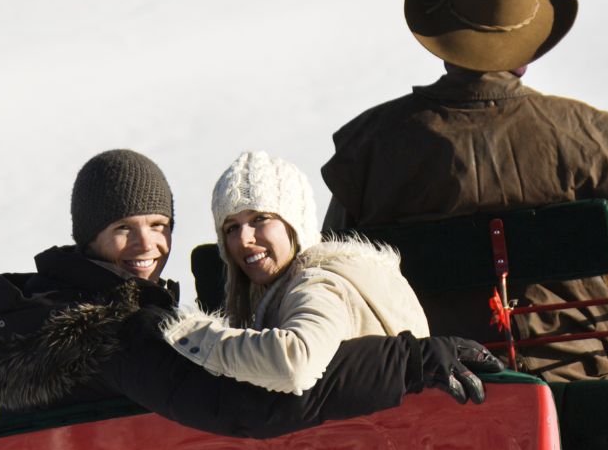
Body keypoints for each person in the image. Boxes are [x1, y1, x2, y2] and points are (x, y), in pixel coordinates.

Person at [320, 0, 608, 380]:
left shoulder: (371, 146)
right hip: (572, 373)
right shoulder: (588, 136)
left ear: (445, 42)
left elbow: (334, 258)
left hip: (429, 377)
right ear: (527, 51)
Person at [0, 149, 496, 432]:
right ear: (89, 239)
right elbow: (247, 404)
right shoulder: (111, 328)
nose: (147, 245)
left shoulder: (50, 309)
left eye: (159, 225)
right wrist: (407, 362)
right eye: (123, 228)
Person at [160, 152, 430, 395]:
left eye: (260, 219)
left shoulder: (320, 284)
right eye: (231, 228)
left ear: (294, 223)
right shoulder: (332, 277)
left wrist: (192, 336)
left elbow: (295, 364)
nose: (243, 239)